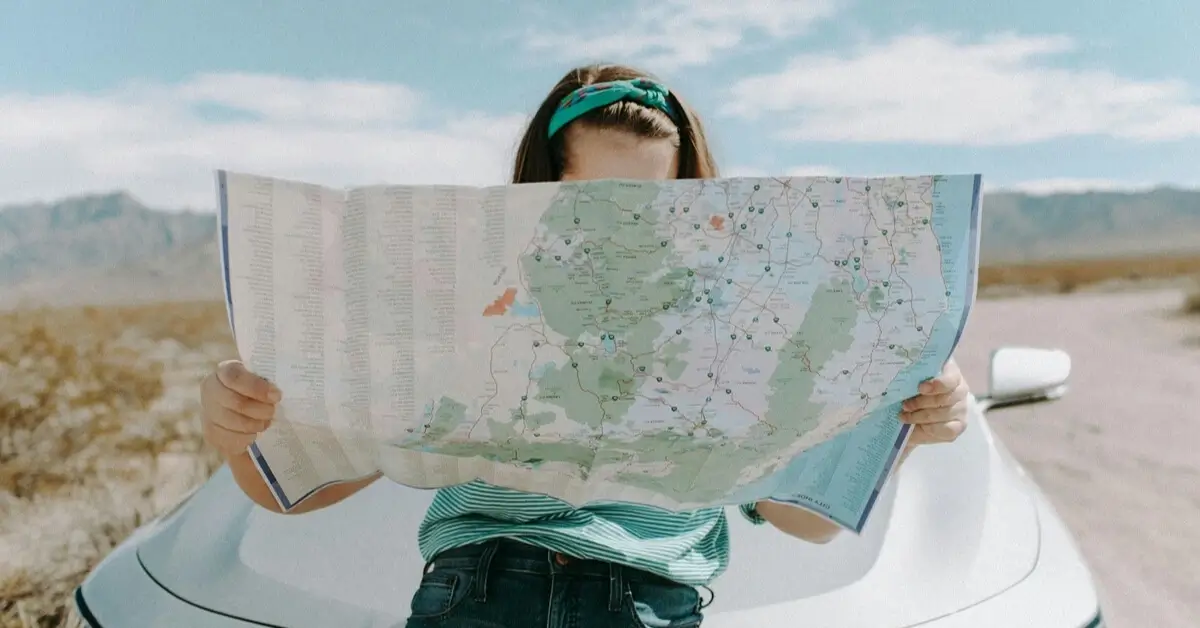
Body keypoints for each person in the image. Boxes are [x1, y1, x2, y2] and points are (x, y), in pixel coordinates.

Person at [199, 63, 972, 628]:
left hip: (647, 603)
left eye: (649, 205)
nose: (618, 228)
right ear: (539, 192)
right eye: (590, 202)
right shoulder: (464, 298)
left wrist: (899, 426)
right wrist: (241, 432)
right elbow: (292, 490)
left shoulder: (744, 319)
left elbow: (806, 520)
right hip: (477, 592)